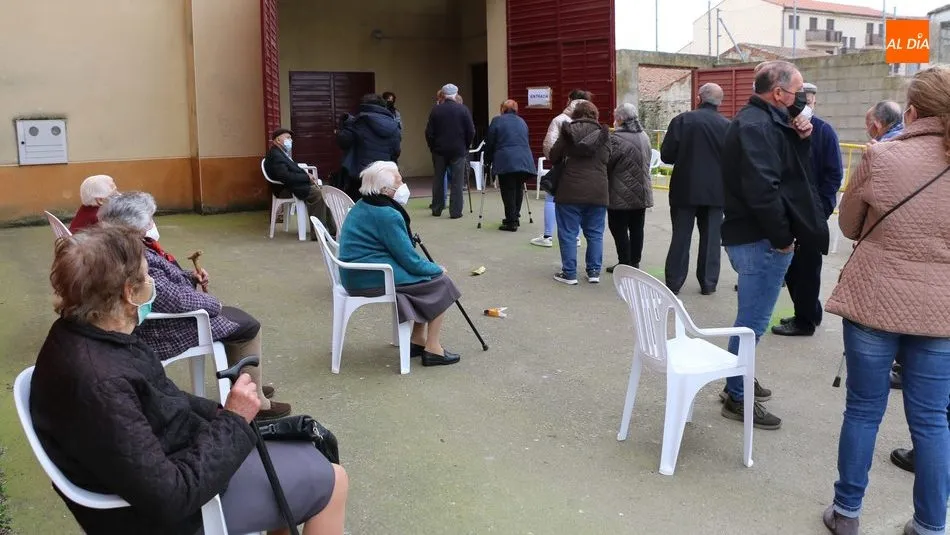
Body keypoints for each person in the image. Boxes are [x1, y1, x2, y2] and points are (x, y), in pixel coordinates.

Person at [30, 225, 347, 534]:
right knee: (334, 480)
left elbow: (165, 400)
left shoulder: (83, 336)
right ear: (129, 292)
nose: (153, 282)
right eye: (147, 275)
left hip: (174, 463)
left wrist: (225, 414)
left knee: (302, 452)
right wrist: (234, 420)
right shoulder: (100, 381)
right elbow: (170, 497)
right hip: (170, 513)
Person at [821, 65, 950, 535]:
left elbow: (851, 226)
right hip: (942, 312)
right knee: (933, 421)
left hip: (876, 300)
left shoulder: (881, 156)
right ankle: (932, 525)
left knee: (862, 409)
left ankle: (847, 513)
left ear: (912, 111)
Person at [98, 192, 292, 421]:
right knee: (248, 327)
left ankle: (241, 385)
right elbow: (174, 300)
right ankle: (257, 403)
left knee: (238, 322)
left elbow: (165, 287)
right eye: (149, 219)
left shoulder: (122, 246)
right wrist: (214, 303)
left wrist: (191, 277)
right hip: (163, 328)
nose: (153, 223)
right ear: (134, 225)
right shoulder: (136, 257)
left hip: (156, 319)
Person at [718, 60, 828, 430]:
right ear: (778, 93)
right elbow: (765, 189)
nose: (802, 101)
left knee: (750, 321)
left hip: (756, 235)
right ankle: (736, 395)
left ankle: (739, 379)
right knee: (752, 324)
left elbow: (791, 171)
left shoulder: (765, 122)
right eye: (797, 93)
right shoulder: (755, 125)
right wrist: (783, 239)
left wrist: (802, 135)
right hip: (760, 238)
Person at [338, 161, 463, 366]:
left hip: (359, 271)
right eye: (399, 180)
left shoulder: (366, 202)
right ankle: (433, 349)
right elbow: (410, 260)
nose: (403, 184)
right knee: (442, 283)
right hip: (369, 275)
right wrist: (436, 269)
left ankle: (417, 339)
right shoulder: (386, 213)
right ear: (386, 189)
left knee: (426, 279)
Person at [772, 82, 843, 337]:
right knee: (792, 269)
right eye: (800, 102)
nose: (804, 108)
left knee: (807, 269)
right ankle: (810, 312)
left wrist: (822, 208)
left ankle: (805, 321)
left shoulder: (823, 131)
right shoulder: (785, 128)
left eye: (809, 103)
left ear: (815, 103)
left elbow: (834, 174)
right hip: (790, 211)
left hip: (812, 213)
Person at [660, 83, 730, 294]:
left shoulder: (683, 120)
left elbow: (667, 155)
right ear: (720, 101)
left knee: (681, 236)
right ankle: (708, 283)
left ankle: (674, 282)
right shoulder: (728, 125)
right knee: (711, 240)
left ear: (699, 98)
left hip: (685, 188)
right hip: (717, 190)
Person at [548, 101, 610, 286]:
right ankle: (593, 272)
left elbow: (553, 156)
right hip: (598, 190)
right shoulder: (604, 134)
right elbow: (608, 158)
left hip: (570, 190)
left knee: (568, 233)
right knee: (595, 233)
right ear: (595, 115)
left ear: (575, 114)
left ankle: (569, 273)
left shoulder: (568, 132)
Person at [530, 89, 592, 248]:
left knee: (551, 197)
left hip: (563, 165)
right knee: (576, 201)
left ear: (569, 100)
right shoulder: (591, 121)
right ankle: (576, 237)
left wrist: (556, 159)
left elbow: (549, 145)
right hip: (585, 168)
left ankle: (548, 236)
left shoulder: (560, 119)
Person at [605, 103, 652, 272]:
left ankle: (624, 262)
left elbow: (607, 163)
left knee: (618, 227)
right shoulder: (644, 136)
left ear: (620, 119)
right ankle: (635, 261)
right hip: (642, 190)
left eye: (616, 116)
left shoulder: (616, 139)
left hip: (620, 191)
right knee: (637, 227)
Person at [263, 127, 336, 237]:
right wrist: (306, 178)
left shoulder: (281, 153)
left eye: (291, 138)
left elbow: (292, 170)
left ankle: (332, 230)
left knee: (324, 193)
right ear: (278, 140)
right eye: (288, 138)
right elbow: (285, 176)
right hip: (286, 190)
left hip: (292, 186)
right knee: (318, 195)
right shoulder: (276, 156)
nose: (290, 141)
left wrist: (306, 175)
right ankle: (318, 233)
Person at [337, 93, 402, 200]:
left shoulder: (357, 122)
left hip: (360, 175)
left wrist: (345, 124)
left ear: (364, 105)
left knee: (358, 205)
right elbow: (396, 152)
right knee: (383, 205)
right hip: (385, 175)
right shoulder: (394, 124)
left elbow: (343, 142)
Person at [425, 83, 475, 219]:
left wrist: (432, 147)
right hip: (458, 150)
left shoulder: (436, 110)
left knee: (438, 180)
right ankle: (456, 211)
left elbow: (429, 132)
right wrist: (465, 145)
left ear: (443, 94)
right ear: (456, 94)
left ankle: (437, 208)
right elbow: (471, 131)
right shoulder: (463, 110)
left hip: (439, 150)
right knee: (457, 182)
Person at [484, 99, 535, 231]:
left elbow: (490, 142)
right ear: (516, 110)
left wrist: (487, 161)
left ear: (502, 109)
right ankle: (514, 216)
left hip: (506, 159)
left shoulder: (497, 121)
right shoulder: (522, 121)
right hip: (524, 160)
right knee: (518, 188)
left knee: (508, 190)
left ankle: (511, 221)